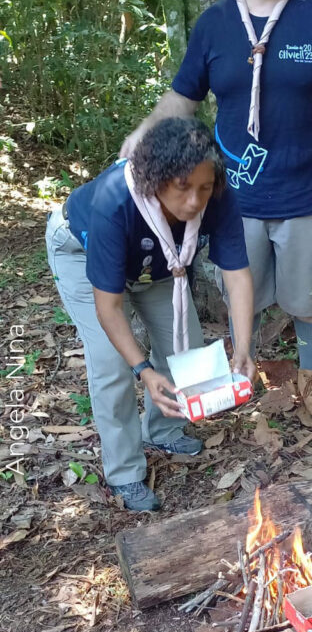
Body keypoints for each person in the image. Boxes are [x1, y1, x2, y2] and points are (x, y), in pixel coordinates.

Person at [121, 0, 312, 424]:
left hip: (307, 194)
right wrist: (145, 130)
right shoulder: (213, 25)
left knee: (308, 299)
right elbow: (182, 96)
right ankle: (243, 364)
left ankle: (311, 375)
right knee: (242, 296)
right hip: (236, 198)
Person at [47, 117, 254, 512]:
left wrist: (243, 347)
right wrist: (144, 370)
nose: (195, 201)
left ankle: (162, 429)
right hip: (80, 251)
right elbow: (108, 307)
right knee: (111, 363)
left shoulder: (220, 198)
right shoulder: (115, 203)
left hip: (159, 264)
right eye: (182, 188)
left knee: (186, 345)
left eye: (204, 188)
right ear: (155, 179)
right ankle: (124, 472)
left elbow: (238, 276)